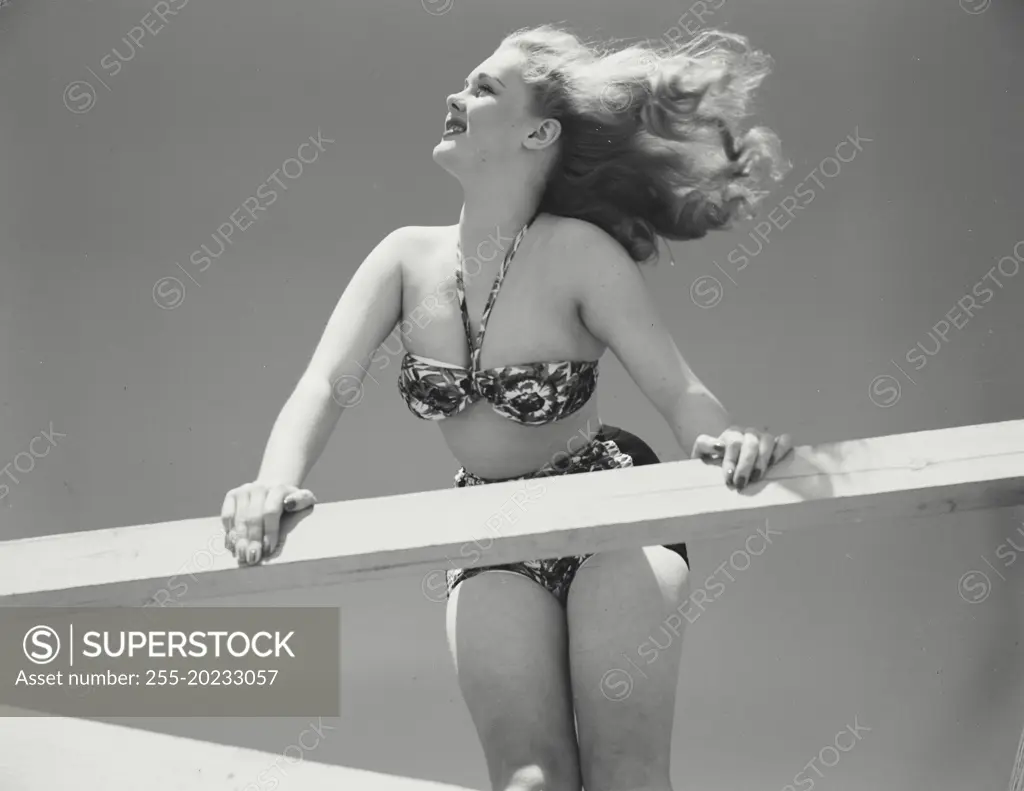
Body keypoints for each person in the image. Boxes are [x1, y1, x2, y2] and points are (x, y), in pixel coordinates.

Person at [221, 23, 794, 791]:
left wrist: (725, 443)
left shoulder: (581, 254)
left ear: (539, 131)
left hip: (607, 514)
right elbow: (325, 384)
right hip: (487, 528)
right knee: (530, 779)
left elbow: (677, 388)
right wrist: (271, 480)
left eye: (484, 87)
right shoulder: (404, 257)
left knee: (625, 773)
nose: (455, 97)